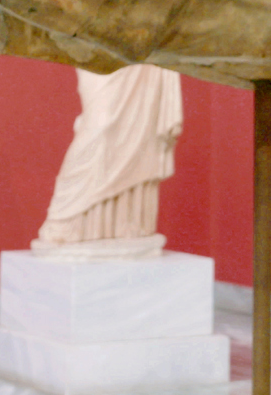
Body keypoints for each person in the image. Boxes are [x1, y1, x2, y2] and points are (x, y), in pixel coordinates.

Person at [31, 64, 183, 257]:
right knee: (101, 127)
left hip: (141, 56)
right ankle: (67, 218)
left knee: (136, 131)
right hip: (102, 52)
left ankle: (126, 223)